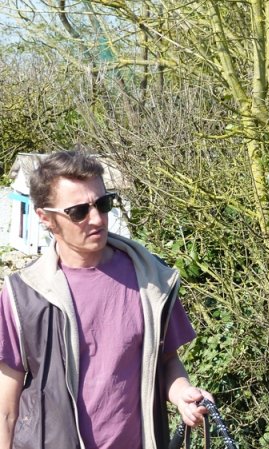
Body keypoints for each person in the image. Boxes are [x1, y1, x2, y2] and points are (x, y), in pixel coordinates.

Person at [0, 150, 211, 449]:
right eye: (78, 212)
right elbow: (6, 411)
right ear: (45, 217)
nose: (97, 219)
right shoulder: (23, 294)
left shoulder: (152, 279)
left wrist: (183, 395)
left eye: (103, 204)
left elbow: (166, 361)